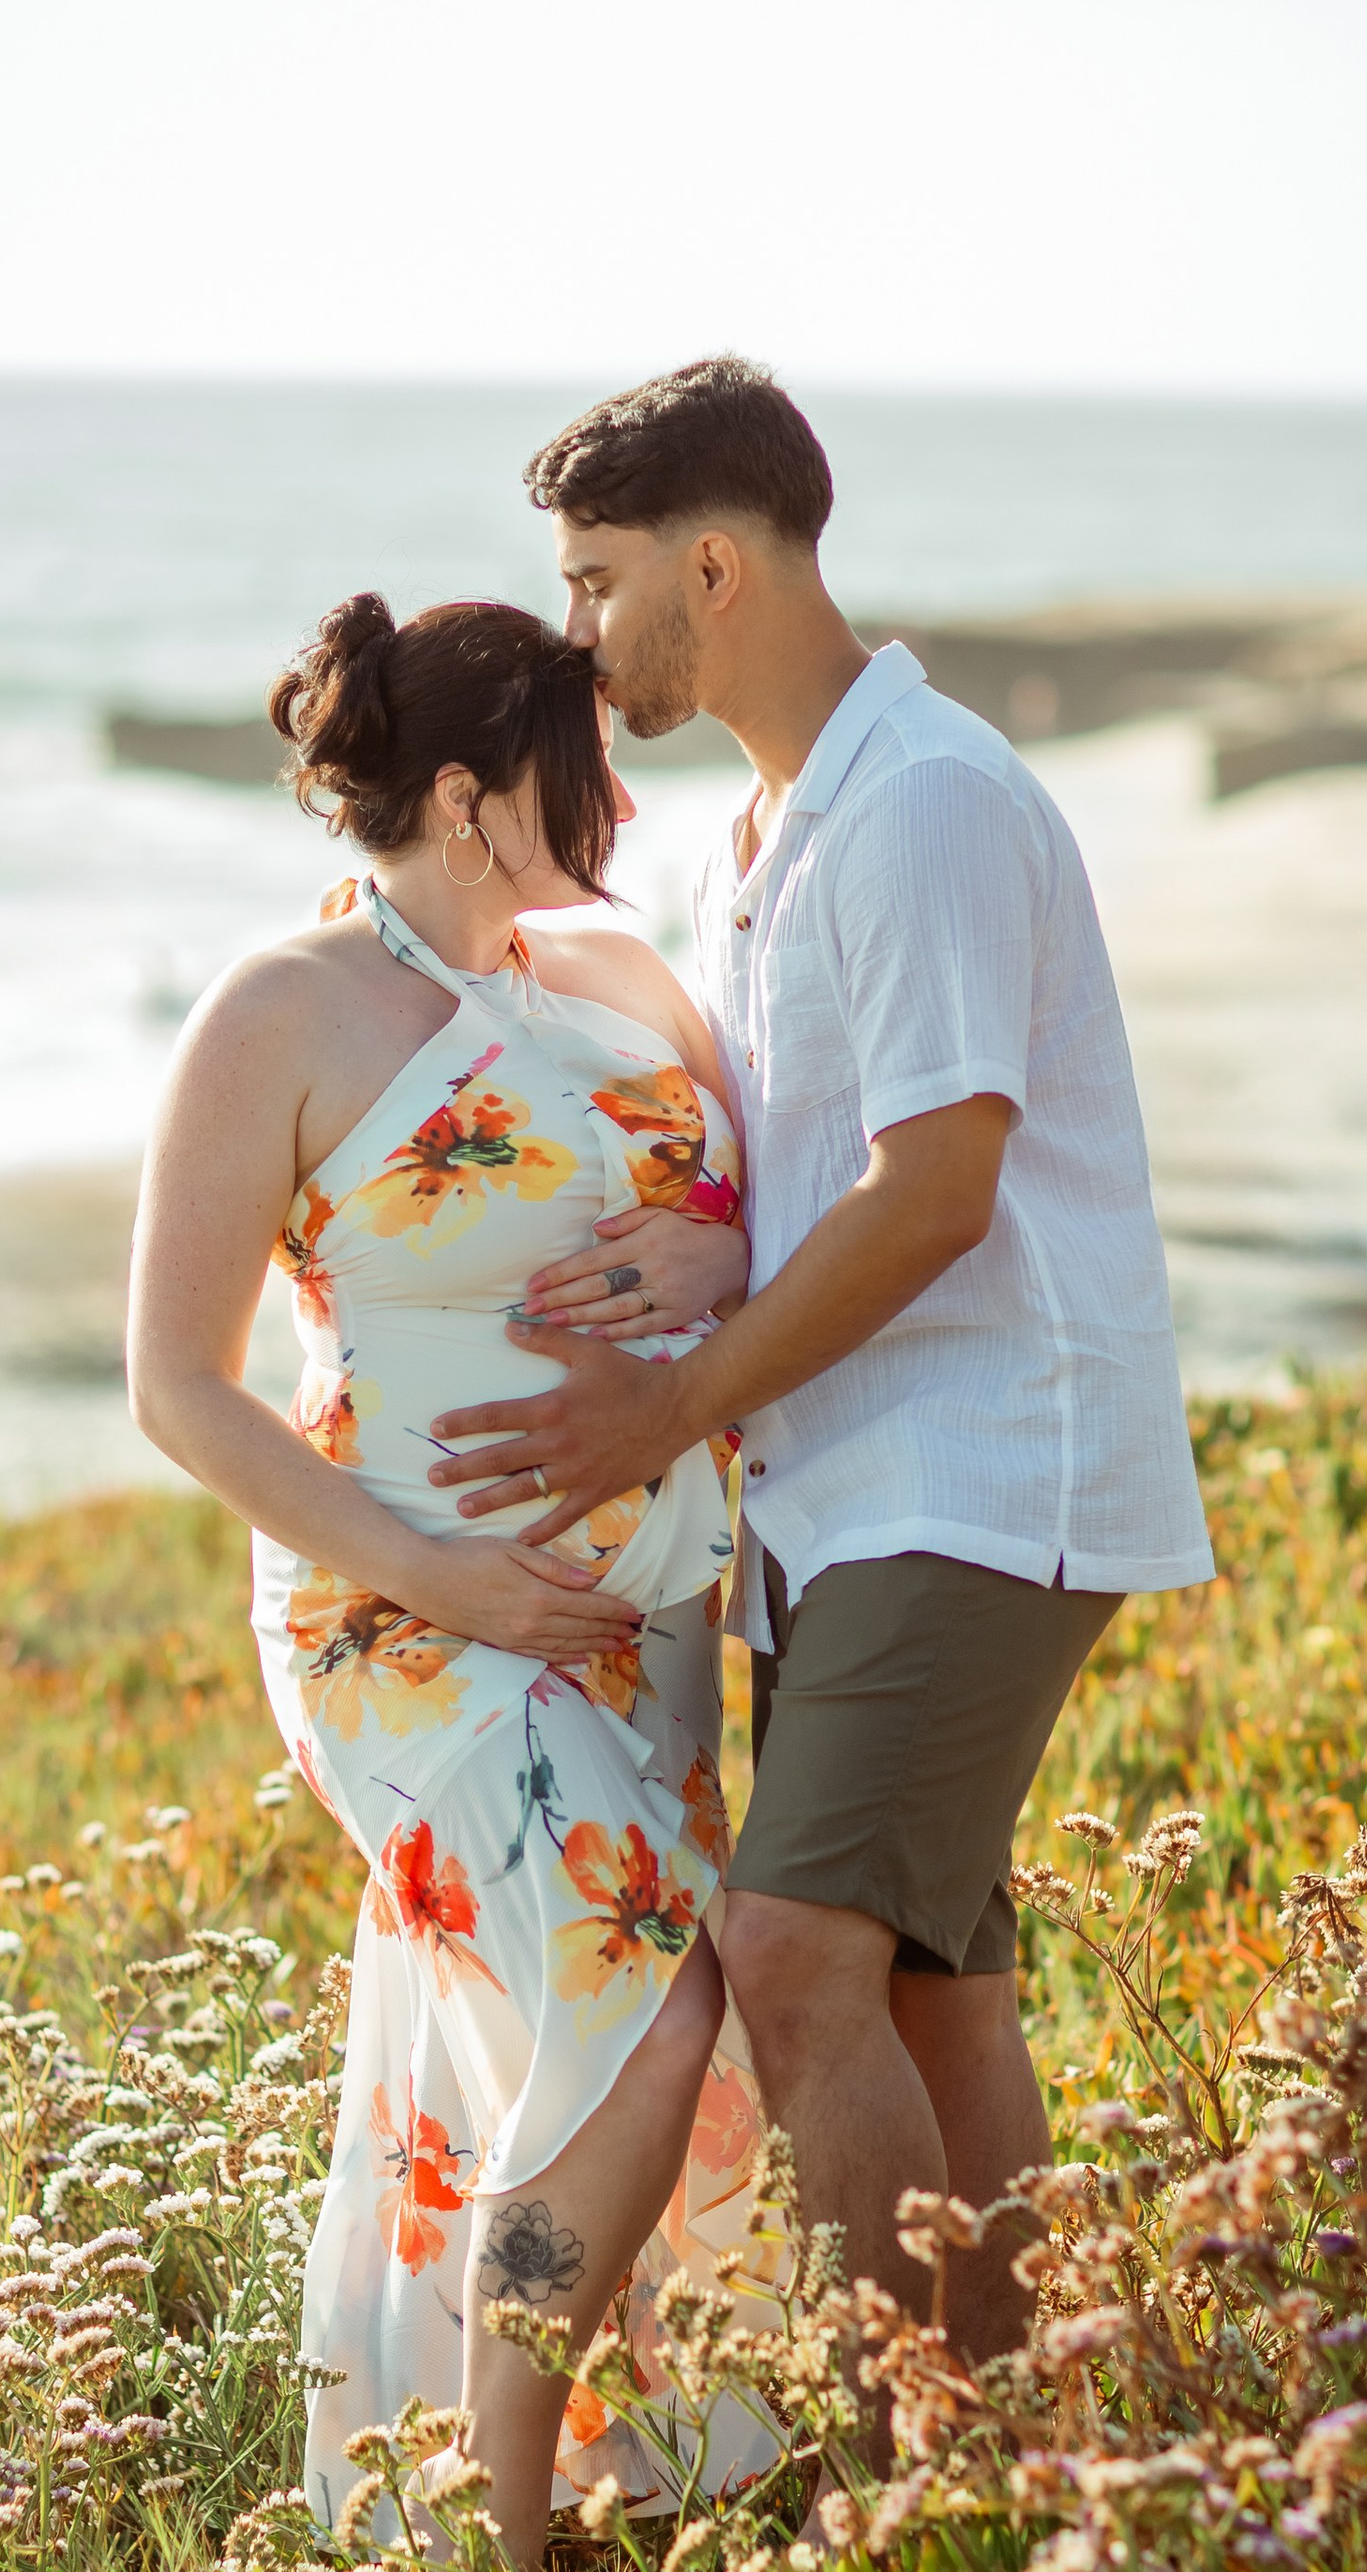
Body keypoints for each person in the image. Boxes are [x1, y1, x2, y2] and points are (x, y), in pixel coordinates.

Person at [429, 359, 1215, 2376]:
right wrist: (694, 1255)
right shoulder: (754, 840)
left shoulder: (922, 803)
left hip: (978, 1467)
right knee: (930, 1993)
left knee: (786, 1959)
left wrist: (665, 1404)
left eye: (597, 582)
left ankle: (919, 2454)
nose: (576, 634)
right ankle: (1028, 2432)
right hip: (849, 1491)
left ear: (714, 565)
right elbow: (810, 1170)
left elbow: (937, 1188)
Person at [126, 593, 776, 2572]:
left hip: (641, 1629)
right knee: (644, 2010)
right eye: (591, 772)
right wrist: (441, 1575)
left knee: (590, 2036)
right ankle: (499, 2537)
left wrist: (718, 1255)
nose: (625, 809)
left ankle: (595, 2474)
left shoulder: (615, 971)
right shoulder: (280, 1014)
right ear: (476, 797)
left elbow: (749, 1216)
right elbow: (176, 1388)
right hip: (404, 1623)